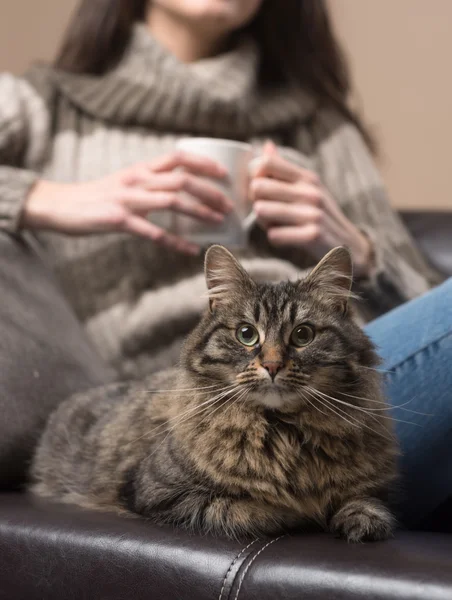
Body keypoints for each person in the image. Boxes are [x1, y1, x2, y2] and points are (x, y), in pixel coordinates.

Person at [0, 0, 449, 527]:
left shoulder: (319, 125)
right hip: (196, 407)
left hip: (349, 402)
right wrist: (46, 199)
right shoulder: (39, 103)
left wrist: (359, 246)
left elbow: (430, 311)